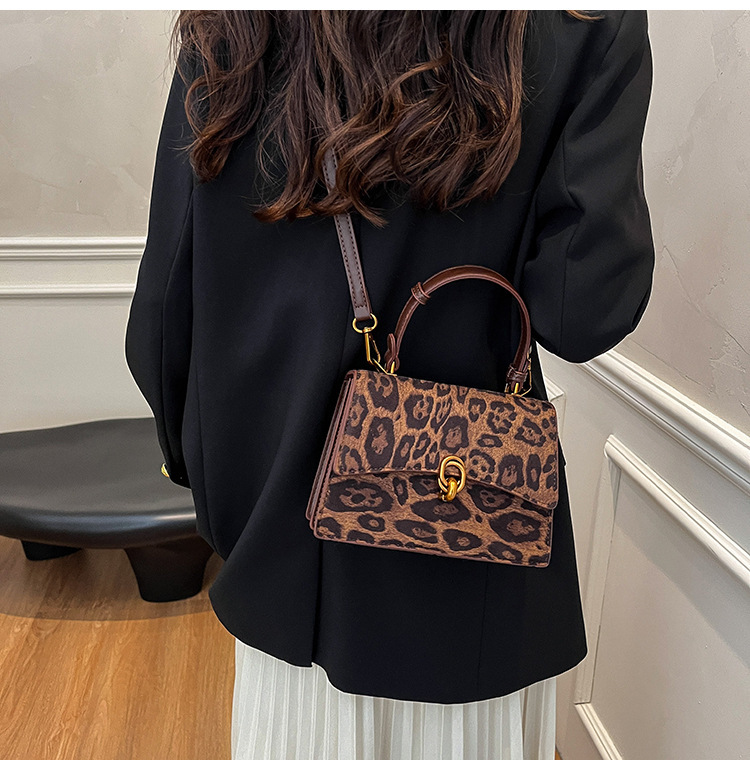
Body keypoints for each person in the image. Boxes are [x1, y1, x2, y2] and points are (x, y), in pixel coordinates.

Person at [125, 10, 655, 760]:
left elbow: (162, 315)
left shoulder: (238, 25)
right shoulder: (581, 23)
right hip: (481, 557)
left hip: (282, 547)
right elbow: (585, 314)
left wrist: (218, 489)